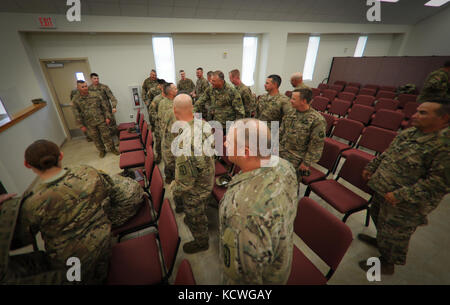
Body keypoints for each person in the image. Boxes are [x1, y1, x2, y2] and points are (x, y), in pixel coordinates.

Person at [358, 98, 450, 275]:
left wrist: (401, 195)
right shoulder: (410, 133)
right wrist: (372, 166)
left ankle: (387, 263)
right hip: (383, 190)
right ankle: (380, 241)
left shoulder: (444, 146)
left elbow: (438, 184)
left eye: (423, 113)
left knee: (396, 234)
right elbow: (389, 152)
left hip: (405, 203)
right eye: (417, 111)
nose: (415, 115)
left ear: (444, 118)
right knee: (378, 218)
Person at [1, 140, 113, 284]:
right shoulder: (87, 172)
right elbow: (107, 190)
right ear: (61, 155)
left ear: (27, 165)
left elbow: (22, 239)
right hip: (106, 243)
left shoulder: (32, 204)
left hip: (74, 265)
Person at [219, 119, 298, 284]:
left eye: (230, 140)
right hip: (280, 259)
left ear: (246, 152)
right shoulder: (284, 165)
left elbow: (243, 279)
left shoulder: (241, 213)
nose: (224, 142)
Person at [169, 94, 215, 254]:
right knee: (201, 207)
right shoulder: (203, 124)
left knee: (195, 214)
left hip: (196, 188)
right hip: (208, 176)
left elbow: (186, 182)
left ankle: (201, 242)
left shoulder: (184, 140)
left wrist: (175, 190)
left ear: (175, 111)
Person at [279, 88, 326, 183]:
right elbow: (281, 132)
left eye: (293, 99)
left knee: (290, 184)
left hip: (297, 158)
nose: (290, 101)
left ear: (303, 101)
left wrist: (306, 163)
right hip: (281, 152)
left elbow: (316, 145)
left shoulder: (317, 120)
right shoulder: (290, 113)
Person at [72, 80, 119, 158]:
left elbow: (104, 107)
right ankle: (102, 150)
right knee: (96, 138)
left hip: (101, 119)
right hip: (89, 123)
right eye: (82, 87)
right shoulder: (76, 99)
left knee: (106, 135)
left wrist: (107, 117)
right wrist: (81, 125)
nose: (85, 88)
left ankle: (112, 148)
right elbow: (76, 113)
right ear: (78, 88)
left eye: (86, 86)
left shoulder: (96, 95)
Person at [157, 83, 178, 182]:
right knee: (170, 158)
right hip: (169, 135)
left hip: (171, 135)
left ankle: (170, 176)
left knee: (170, 157)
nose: (177, 89)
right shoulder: (165, 104)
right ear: (170, 91)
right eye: (174, 88)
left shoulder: (173, 102)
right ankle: (170, 177)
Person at [88, 73, 119, 137]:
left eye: (97, 78)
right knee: (103, 130)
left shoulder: (104, 87)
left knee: (113, 127)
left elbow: (112, 98)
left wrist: (114, 107)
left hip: (107, 111)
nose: (96, 80)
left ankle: (117, 142)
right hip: (97, 114)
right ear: (91, 79)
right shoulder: (88, 89)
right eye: (95, 78)